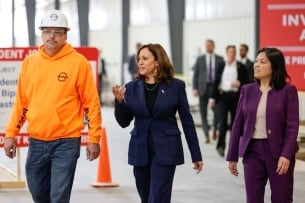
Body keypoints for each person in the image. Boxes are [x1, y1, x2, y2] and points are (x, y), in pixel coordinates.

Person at [3, 10, 102, 203]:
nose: (52, 36)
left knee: (58, 197)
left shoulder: (78, 63)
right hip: (37, 141)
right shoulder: (30, 63)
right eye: (47, 31)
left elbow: (91, 103)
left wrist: (94, 138)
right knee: (38, 193)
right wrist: (11, 134)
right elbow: (21, 103)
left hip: (66, 142)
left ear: (65, 35)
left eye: (57, 32)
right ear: (41, 33)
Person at [112, 43, 203, 203]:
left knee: (158, 198)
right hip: (140, 150)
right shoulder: (131, 88)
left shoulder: (176, 86)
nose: (139, 62)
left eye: (145, 58)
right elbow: (124, 122)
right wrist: (119, 102)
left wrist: (196, 154)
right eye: (138, 58)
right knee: (146, 198)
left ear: (157, 62)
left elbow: (187, 122)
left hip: (166, 150)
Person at [227, 47, 299, 203]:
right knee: (253, 199)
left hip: (279, 152)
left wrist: (286, 155)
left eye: (262, 62)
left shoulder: (288, 91)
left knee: (282, 198)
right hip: (252, 151)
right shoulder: (247, 90)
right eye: (256, 61)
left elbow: (292, 127)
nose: (256, 65)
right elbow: (237, 124)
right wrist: (232, 156)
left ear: (274, 66)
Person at [210, 45, 250, 157]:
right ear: (226, 53)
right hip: (222, 96)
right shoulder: (221, 65)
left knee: (235, 124)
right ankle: (221, 146)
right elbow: (215, 82)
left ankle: (233, 148)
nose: (232, 54)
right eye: (230, 52)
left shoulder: (241, 67)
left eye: (233, 52)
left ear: (235, 54)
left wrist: (239, 83)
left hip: (235, 98)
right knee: (222, 123)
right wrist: (212, 99)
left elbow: (247, 83)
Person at [192, 39, 224, 143]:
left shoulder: (220, 59)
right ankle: (206, 135)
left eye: (210, 45)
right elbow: (195, 74)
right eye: (207, 45)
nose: (208, 47)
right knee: (203, 113)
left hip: (214, 88)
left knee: (217, 111)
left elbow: (222, 75)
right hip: (202, 88)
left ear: (214, 46)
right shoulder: (200, 59)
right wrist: (194, 88)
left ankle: (214, 129)